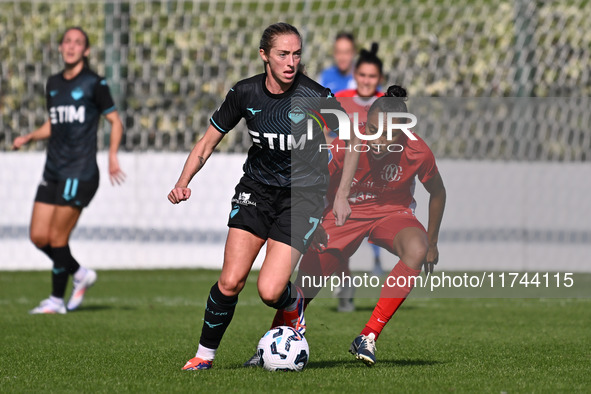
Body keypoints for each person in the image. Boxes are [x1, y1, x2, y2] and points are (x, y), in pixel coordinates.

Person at [168, 22, 359, 371]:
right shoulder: (245, 93)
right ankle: (203, 357)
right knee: (230, 280)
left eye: (297, 54)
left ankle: (294, 304)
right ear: (264, 56)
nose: (291, 62)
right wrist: (183, 181)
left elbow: (352, 140)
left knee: (271, 291)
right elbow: (207, 142)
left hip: (302, 198)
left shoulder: (315, 96)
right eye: (283, 54)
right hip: (255, 190)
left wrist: (342, 194)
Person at [270, 85, 446, 366]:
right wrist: (314, 224)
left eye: (389, 134)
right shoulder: (344, 145)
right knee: (308, 285)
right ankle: (271, 343)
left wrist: (433, 243)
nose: (379, 139)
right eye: (373, 129)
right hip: (343, 215)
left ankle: (368, 336)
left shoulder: (417, 151)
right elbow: (313, 186)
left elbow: (438, 192)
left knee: (417, 248)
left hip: (391, 214)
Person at [12, 26, 125, 314]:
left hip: (80, 171)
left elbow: (115, 121)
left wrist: (112, 156)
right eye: (67, 42)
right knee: (39, 237)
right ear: (60, 48)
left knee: (57, 239)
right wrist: (29, 137)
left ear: (86, 51)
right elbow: (54, 123)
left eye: (78, 43)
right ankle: (80, 273)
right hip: (53, 170)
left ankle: (55, 299)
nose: (71, 46)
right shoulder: (52, 83)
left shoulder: (94, 84)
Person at [333, 43, 387, 312]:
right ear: (356, 74)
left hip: (377, 183)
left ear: (381, 79)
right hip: (344, 182)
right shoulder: (340, 99)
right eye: (362, 75)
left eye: (372, 76)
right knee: (339, 237)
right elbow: (327, 137)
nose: (366, 81)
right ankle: (345, 283)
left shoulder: (387, 104)